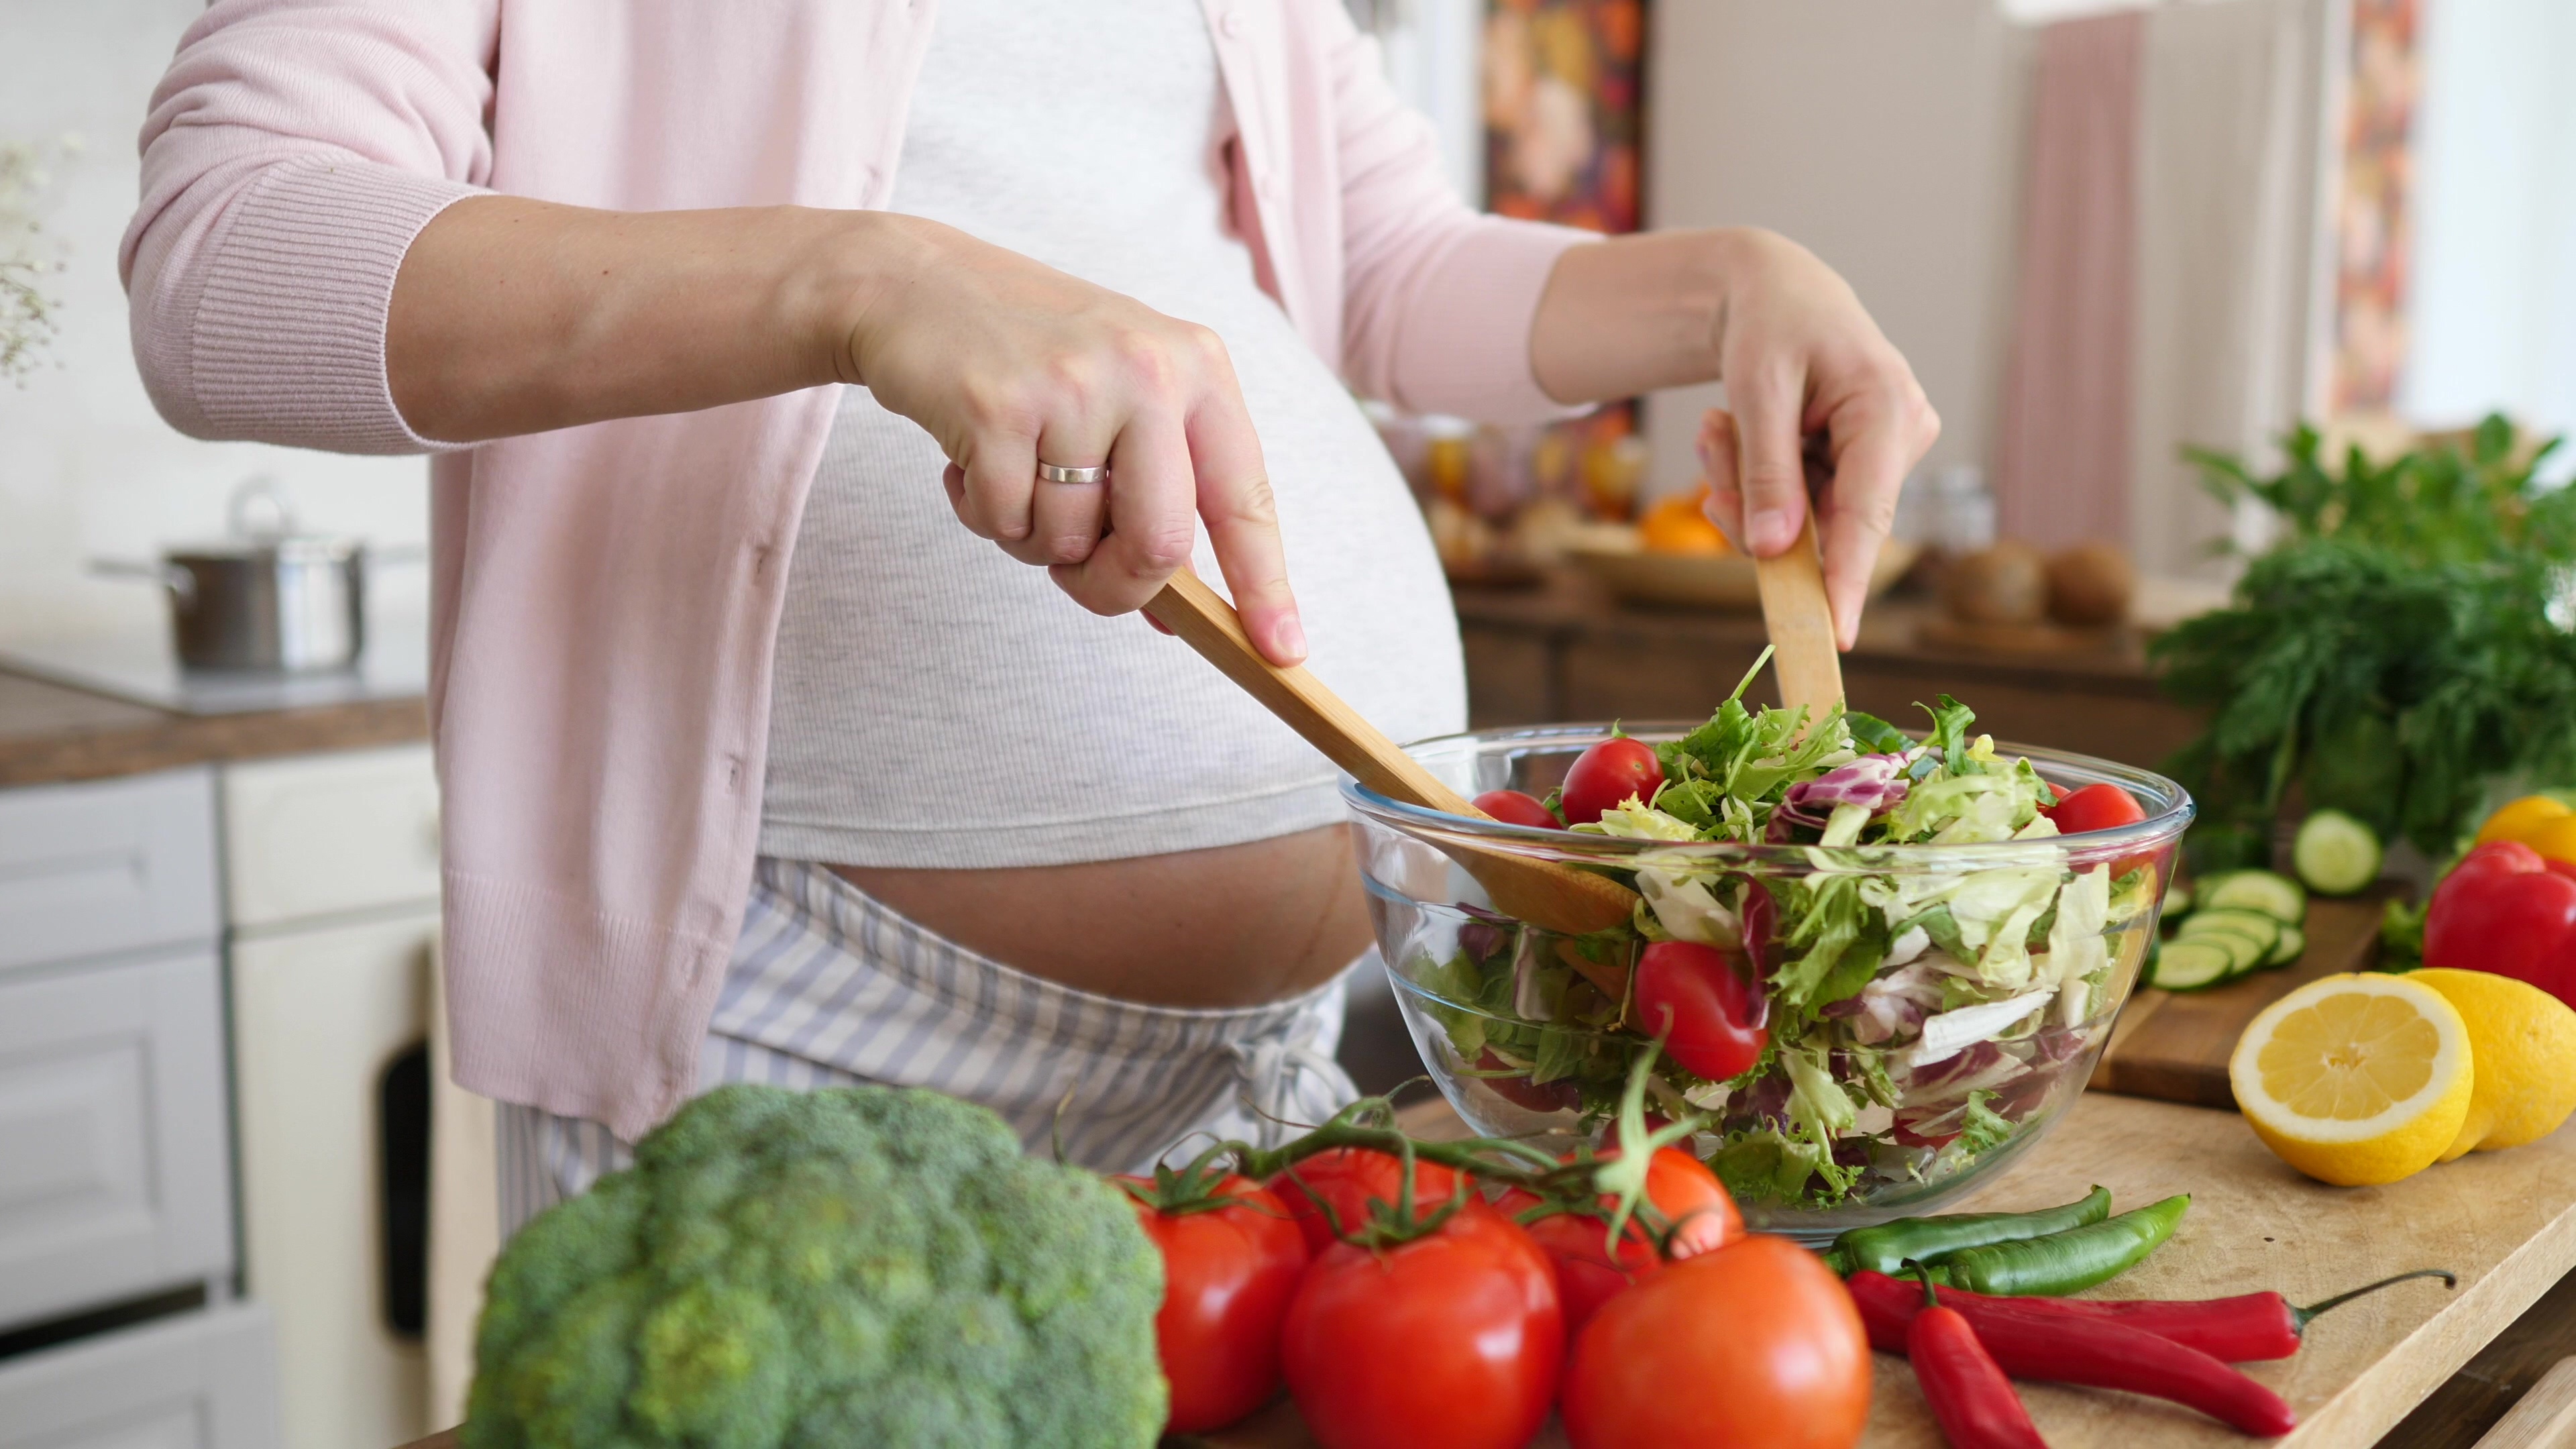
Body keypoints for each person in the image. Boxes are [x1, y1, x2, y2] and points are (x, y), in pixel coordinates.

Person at [123, 0, 1935, 1230]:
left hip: (1286, 1068)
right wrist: (867, 281)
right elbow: (226, 257)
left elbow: (1385, 266)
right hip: (803, 1038)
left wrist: (1733, 287)